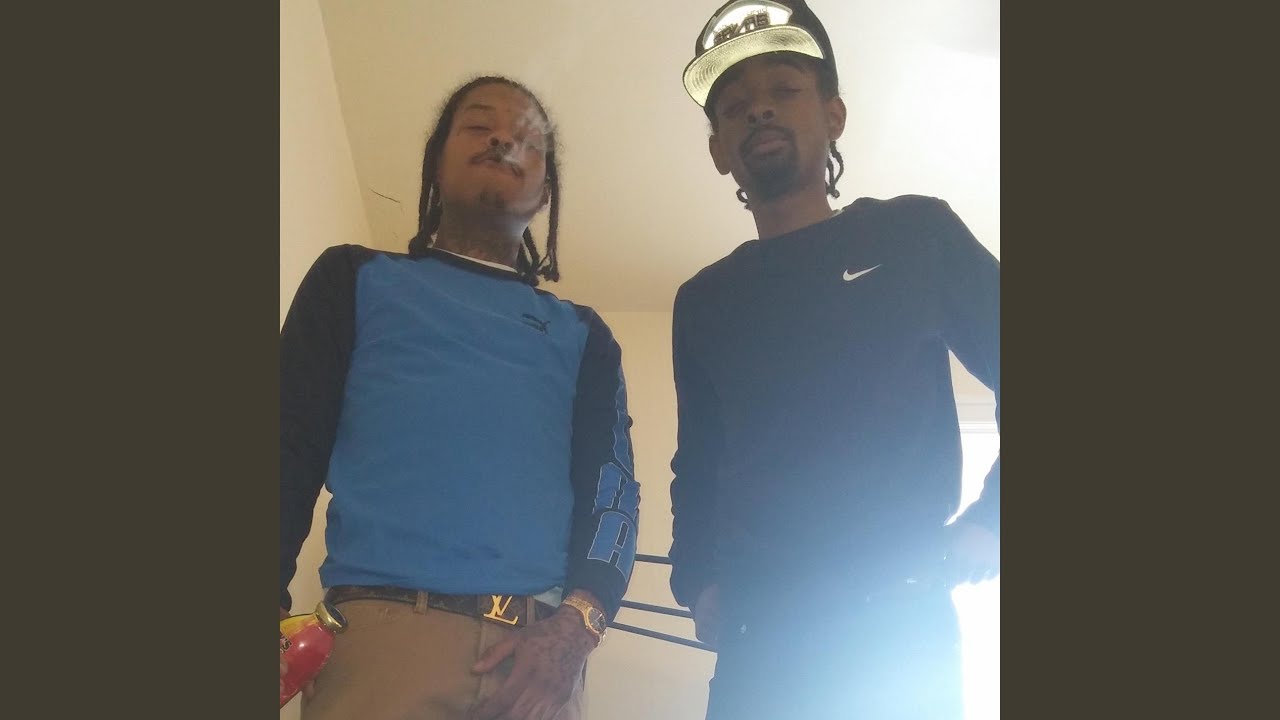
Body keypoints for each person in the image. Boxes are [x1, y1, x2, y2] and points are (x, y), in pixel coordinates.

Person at [667, 2, 1000, 718]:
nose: (759, 111)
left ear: (834, 115)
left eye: (784, 90)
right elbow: (698, 459)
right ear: (719, 150)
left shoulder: (914, 232)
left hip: (897, 625)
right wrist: (697, 578)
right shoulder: (704, 300)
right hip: (759, 636)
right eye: (735, 107)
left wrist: (994, 518)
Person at [279, 76, 640, 720]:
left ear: (545, 190)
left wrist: (577, 629)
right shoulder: (354, 278)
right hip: (379, 649)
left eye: (527, 139)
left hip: (539, 664)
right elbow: (286, 443)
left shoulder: (584, 334)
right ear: (436, 162)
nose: (503, 139)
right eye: (479, 125)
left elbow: (612, 489)